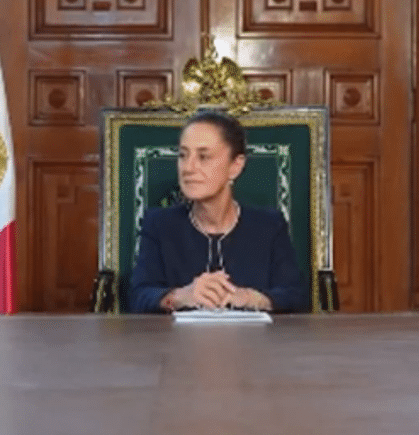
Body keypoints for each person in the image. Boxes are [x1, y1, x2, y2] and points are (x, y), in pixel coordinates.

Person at [128, 110, 308, 313]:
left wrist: (251, 298)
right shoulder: (160, 224)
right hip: (176, 344)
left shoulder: (269, 226)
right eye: (183, 155)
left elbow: (296, 297)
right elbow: (138, 296)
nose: (188, 168)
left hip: (255, 343)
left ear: (235, 166)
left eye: (203, 156)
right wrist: (179, 296)